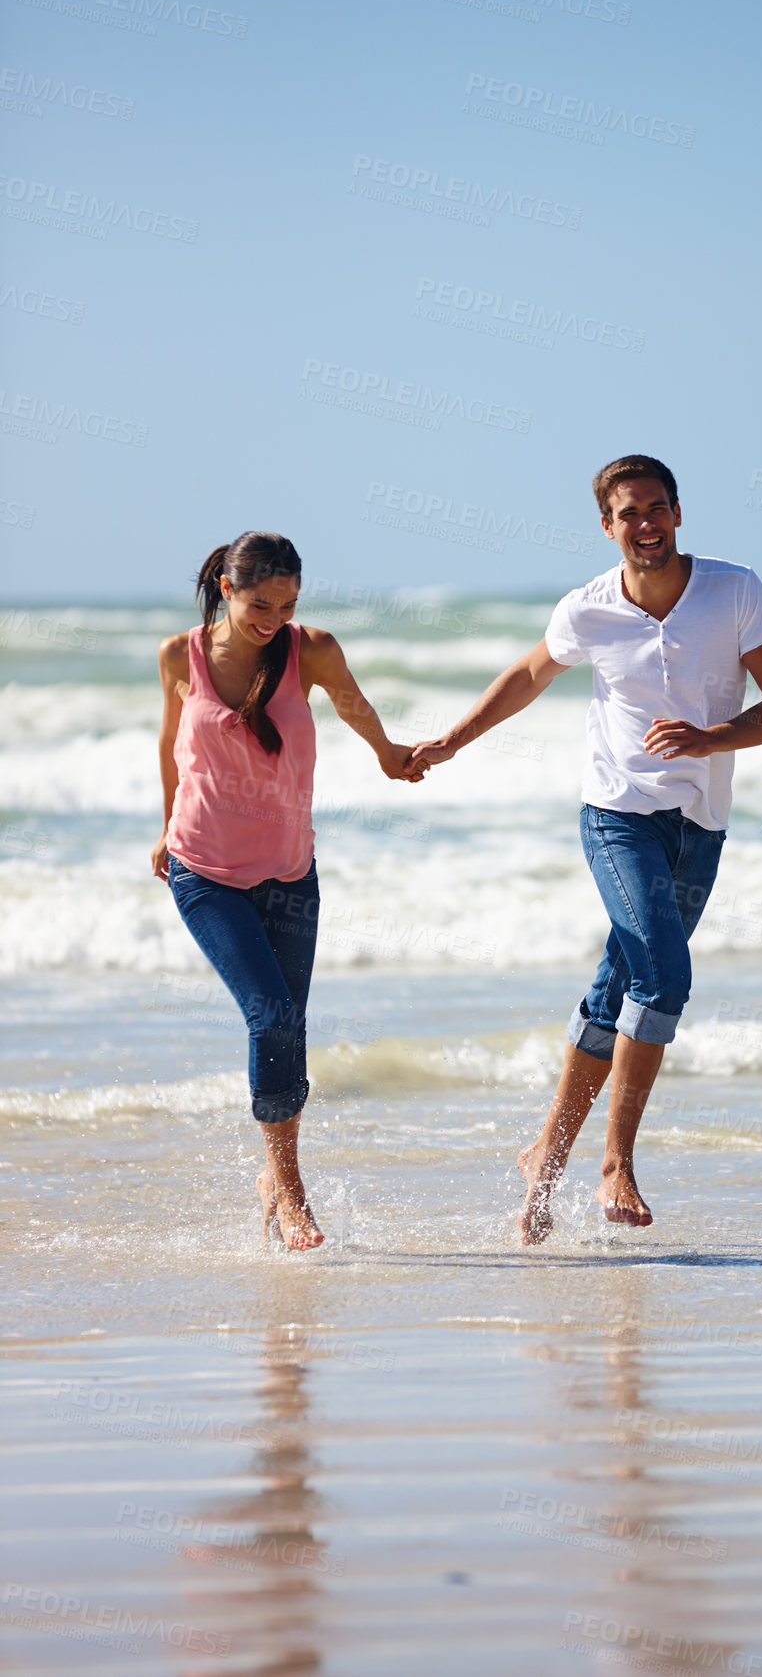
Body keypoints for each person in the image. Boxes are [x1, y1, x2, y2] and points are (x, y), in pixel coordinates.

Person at [413, 455, 762, 1244]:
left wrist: (710, 738)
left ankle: (543, 1160)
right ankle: (615, 1162)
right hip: (616, 816)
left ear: (679, 513)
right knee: (662, 971)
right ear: (606, 525)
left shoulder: (734, 590)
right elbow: (528, 673)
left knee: (618, 985)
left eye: (657, 508)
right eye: (629, 513)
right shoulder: (588, 609)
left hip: (701, 827)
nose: (646, 524)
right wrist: (453, 739)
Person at [151, 532, 425, 1250]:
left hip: (289, 869)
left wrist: (390, 755)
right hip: (205, 869)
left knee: (289, 1028)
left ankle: (273, 1176)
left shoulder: (313, 649)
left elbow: (354, 704)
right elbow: (170, 742)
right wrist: (163, 826)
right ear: (226, 588)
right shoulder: (180, 656)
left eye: (288, 603)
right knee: (270, 1017)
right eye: (260, 604)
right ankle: (293, 1190)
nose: (275, 617)